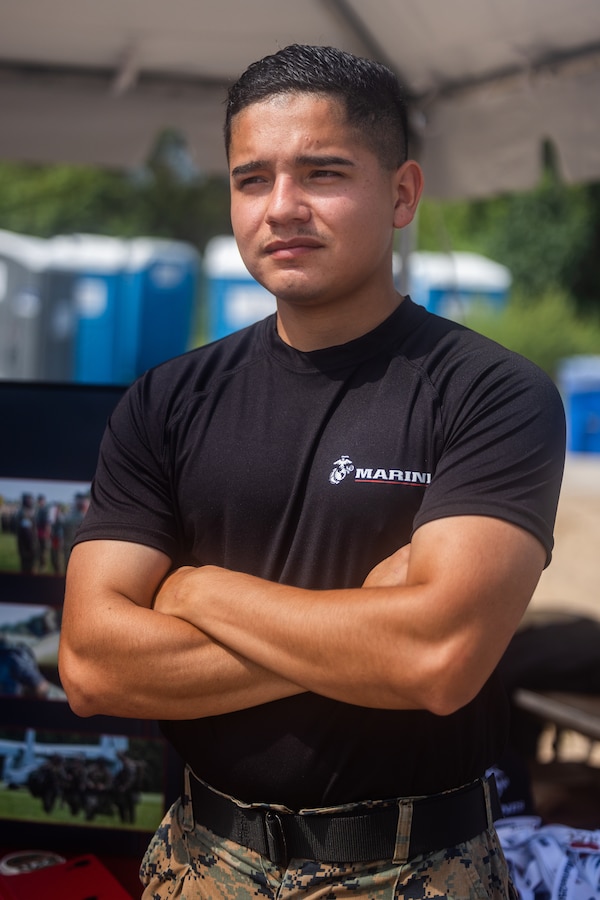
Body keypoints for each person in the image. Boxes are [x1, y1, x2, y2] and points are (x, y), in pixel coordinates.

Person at [59, 44, 566, 899]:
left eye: (323, 172)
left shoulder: (492, 394)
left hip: (415, 870)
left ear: (402, 193)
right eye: (252, 178)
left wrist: (197, 592)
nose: (281, 207)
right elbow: (91, 666)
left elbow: (438, 659)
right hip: (200, 863)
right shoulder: (166, 400)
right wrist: (371, 622)